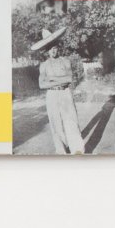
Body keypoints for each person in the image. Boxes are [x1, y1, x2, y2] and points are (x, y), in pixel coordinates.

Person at [32, 26, 84, 154]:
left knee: (71, 122)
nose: (53, 51)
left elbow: (69, 79)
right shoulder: (44, 65)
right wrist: (59, 80)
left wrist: (51, 79)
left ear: (58, 47)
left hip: (65, 93)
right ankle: (61, 152)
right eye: (50, 49)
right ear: (46, 51)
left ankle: (77, 151)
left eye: (54, 48)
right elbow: (41, 85)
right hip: (52, 95)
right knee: (56, 125)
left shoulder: (65, 61)